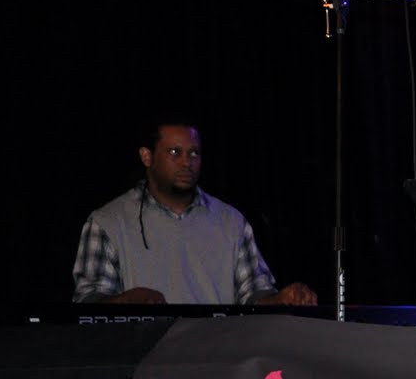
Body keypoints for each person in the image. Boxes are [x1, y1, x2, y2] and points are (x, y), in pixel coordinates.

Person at [72, 120, 317, 305]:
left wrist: (281, 300)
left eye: (194, 153)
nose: (186, 162)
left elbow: (254, 295)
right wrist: (127, 301)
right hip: (144, 355)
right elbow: (87, 305)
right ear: (147, 157)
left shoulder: (231, 221)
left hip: (216, 353)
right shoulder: (108, 222)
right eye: (174, 152)